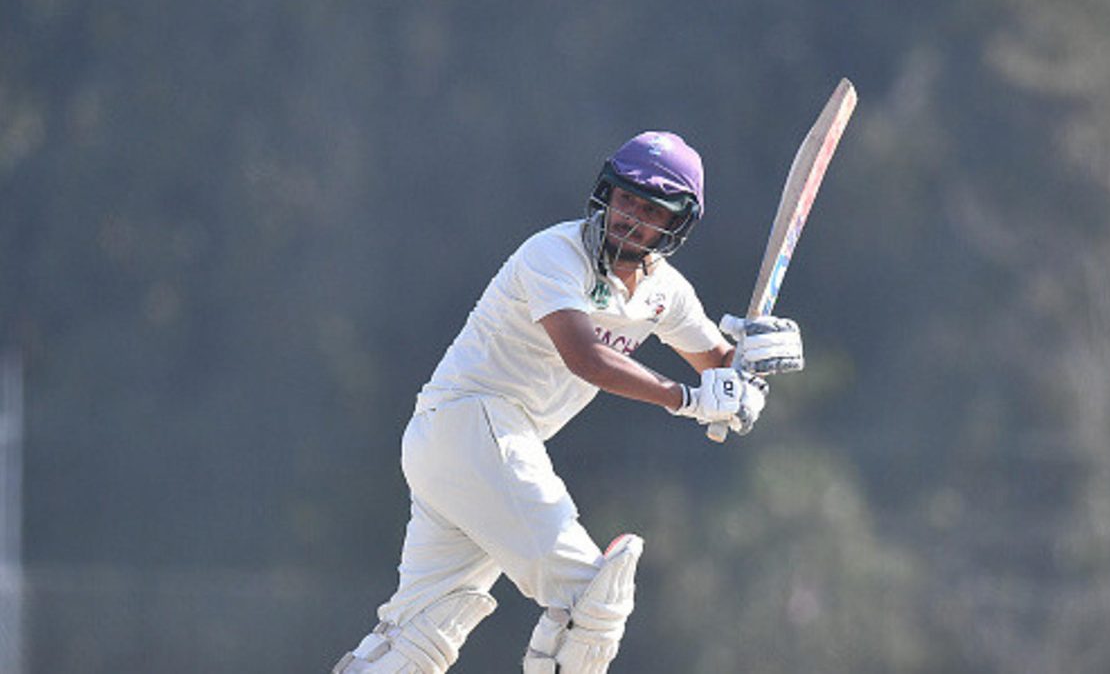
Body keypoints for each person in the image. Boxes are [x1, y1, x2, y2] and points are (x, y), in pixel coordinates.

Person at [333, 131, 805, 673]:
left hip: (468, 445)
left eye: (651, 208)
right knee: (594, 599)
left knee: (420, 636)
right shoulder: (554, 253)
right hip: (476, 420)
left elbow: (719, 368)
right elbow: (587, 358)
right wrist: (689, 400)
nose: (631, 216)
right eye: (625, 197)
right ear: (606, 191)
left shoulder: (665, 293)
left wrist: (750, 374)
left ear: (676, 224)